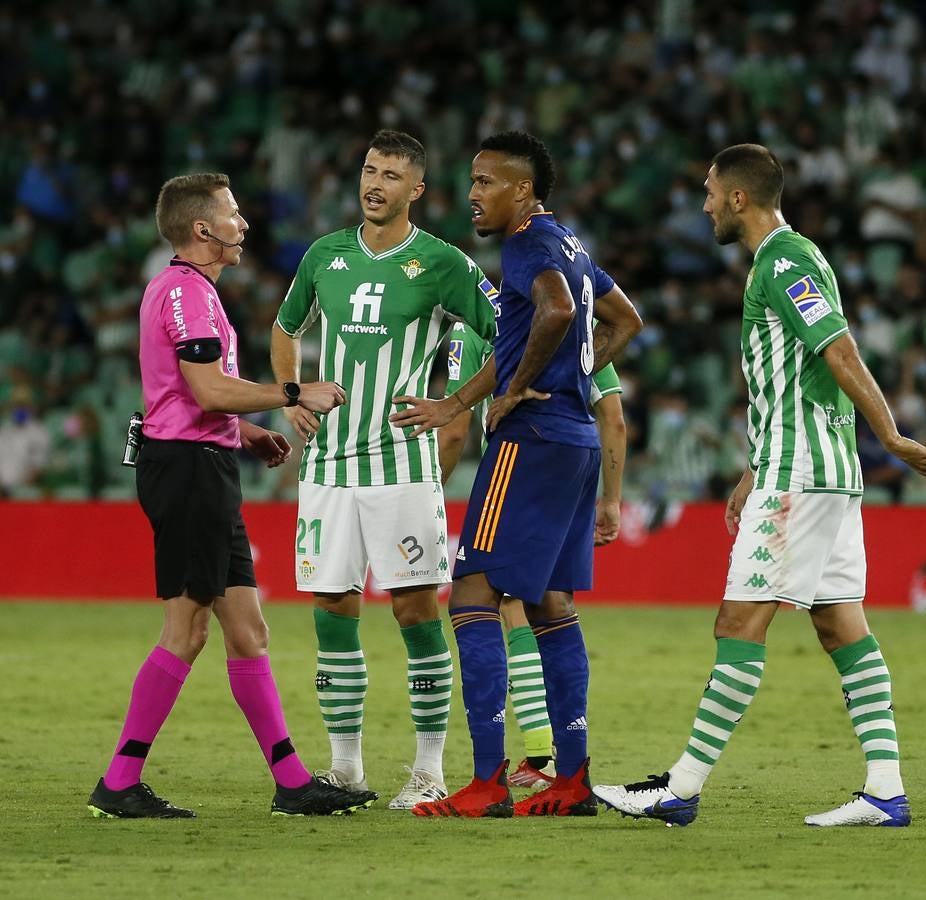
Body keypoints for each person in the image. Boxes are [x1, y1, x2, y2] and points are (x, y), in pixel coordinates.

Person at [592, 144, 926, 828]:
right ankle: (884, 791)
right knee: (838, 624)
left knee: (738, 623)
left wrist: (890, 435)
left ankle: (678, 789)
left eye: (709, 191)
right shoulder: (795, 256)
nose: (702, 204)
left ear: (738, 198)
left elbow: (838, 350)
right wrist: (750, 467)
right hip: (810, 471)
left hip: (802, 476)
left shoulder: (783, 261)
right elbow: (792, 382)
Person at [88, 173, 378, 818]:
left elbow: (187, 394)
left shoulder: (190, 292)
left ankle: (293, 782)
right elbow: (208, 392)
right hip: (188, 472)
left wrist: (246, 432)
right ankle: (118, 781)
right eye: (233, 214)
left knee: (248, 631)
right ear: (203, 230)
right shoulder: (189, 295)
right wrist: (293, 393)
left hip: (205, 463)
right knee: (185, 631)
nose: (243, 225)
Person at [390, 130, 642, 817]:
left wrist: (521, 389)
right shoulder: (571, 244)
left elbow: (556, 312)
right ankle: (572, 780)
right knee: (551, 605)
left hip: (528, 442)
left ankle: (487, 781)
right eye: (471, 181)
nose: (471, 195)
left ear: (522, 190)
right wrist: (477, 397)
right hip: (575, 440)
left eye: (485, 182)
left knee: (472, 592)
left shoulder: (526, 246)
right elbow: (624, 316)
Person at [270, 131, 497, 809]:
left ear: (416, 191)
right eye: (370, 170)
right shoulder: (324, 256)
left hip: (400, 465)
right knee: (332, 608)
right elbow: (286, 330)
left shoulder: (442, 263)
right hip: (328, 467)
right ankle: (344, 768)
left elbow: (505, 331)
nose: (375, 184)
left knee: (414, 609)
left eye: (392, 176)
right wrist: (290, 395)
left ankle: (428, 770)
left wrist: (456, 401)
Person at [438, 321, 628, 790]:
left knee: (480, 595)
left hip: (522, 450)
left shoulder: (479, 326)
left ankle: (505, 772)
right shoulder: (580, 321)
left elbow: (455, 430)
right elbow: (615, 417)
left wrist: (430, 495)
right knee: (548, 601)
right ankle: (566, 771)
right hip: (578, 456)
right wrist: (612, 497)